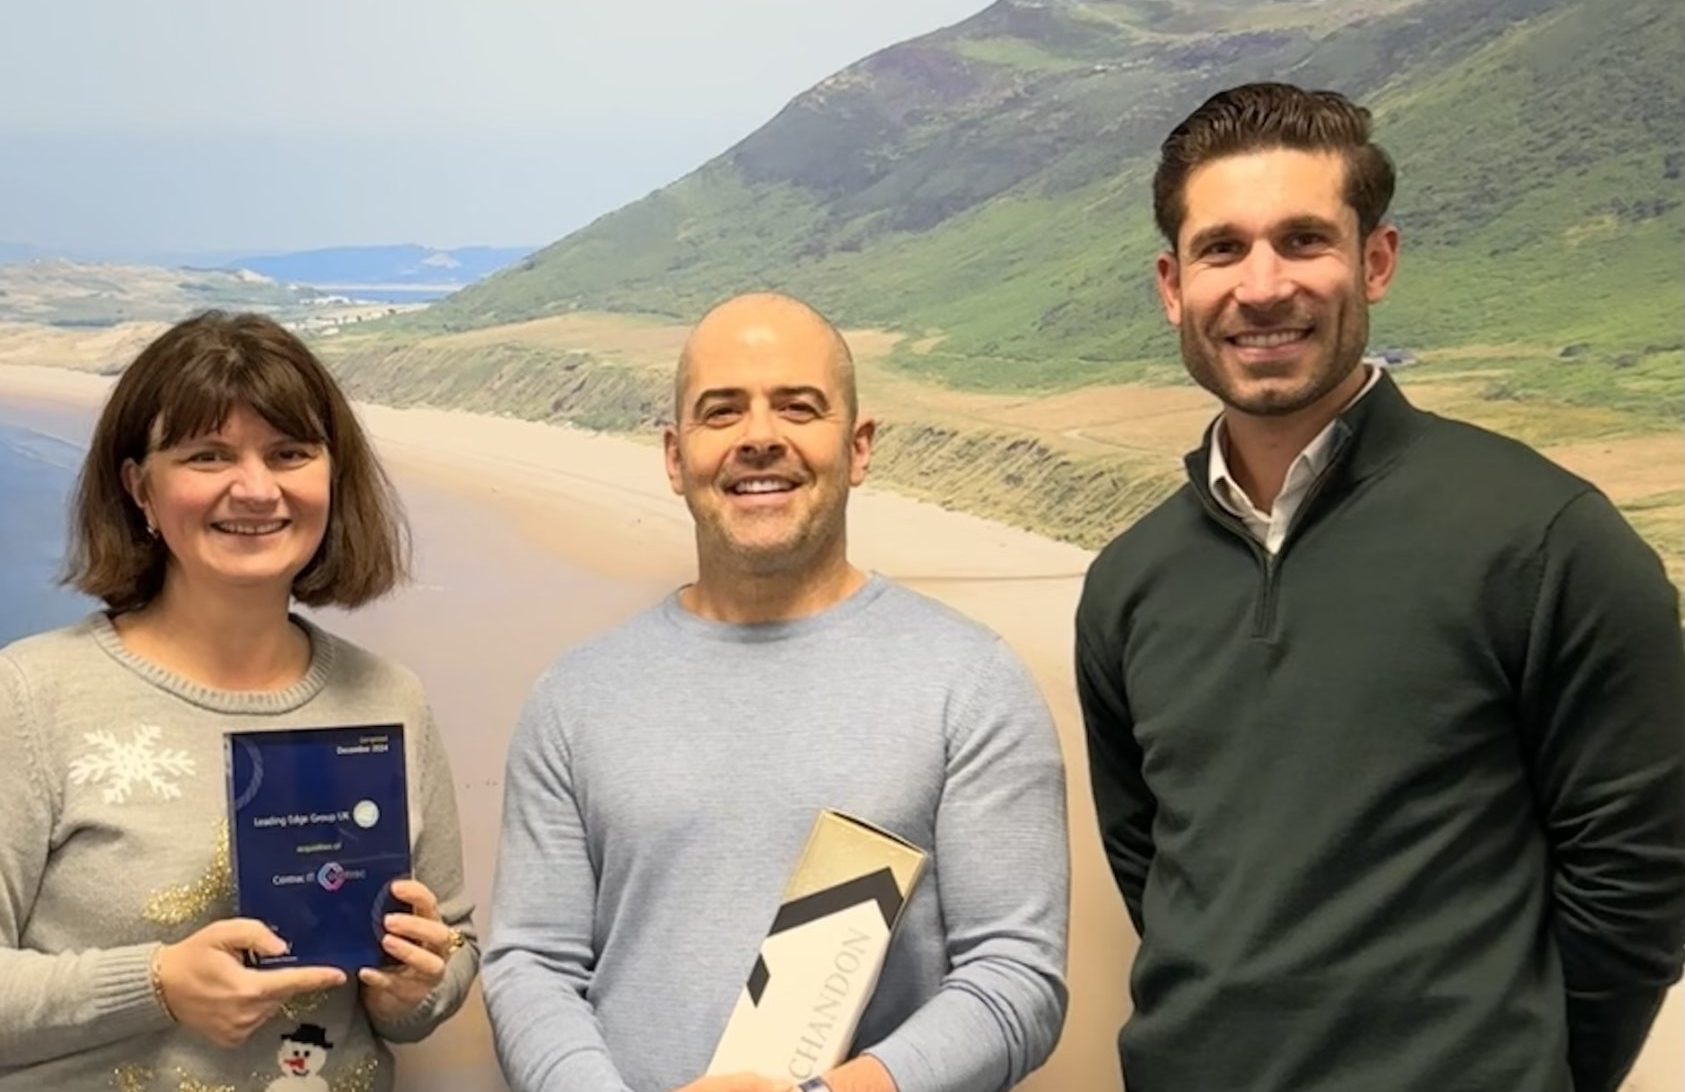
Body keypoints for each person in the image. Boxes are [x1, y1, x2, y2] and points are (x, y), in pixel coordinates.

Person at [1075, 81, 1685, 1092]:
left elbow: (1636, 888)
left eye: (1303, 241)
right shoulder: (1128, 583)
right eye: (1221, 249)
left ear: (1375, 261)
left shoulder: (1546, 542)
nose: (1260, 287)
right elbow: (1153, 870)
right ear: (1171, 285)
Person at [484, 292, 1069, 1092]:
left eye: (798, 408)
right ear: (673, 455)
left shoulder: (970, 684)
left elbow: (1015, 980)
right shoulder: (574, 698)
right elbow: (532, 966)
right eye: (721, 413)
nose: (760, 438)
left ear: (857, 447)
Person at [0, 311, 479, 1091]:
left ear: (332, 476)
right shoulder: (28, 697)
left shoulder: (390, 700)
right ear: (139, 489)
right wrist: (154, 984)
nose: (255, 489)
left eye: (289, 453)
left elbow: (446, 957)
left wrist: (417, 988)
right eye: (207, 455)